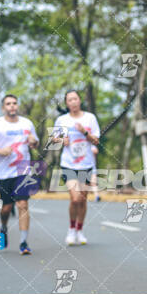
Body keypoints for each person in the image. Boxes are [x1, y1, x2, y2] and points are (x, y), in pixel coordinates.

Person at [0, 94, 39, 255]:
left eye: (14, 103)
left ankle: (23, 242)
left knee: (23, 204)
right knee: (6, 208)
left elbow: (34, 143)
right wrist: (0, 151)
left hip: (23, 170)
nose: (12, 106)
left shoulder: (27, 123)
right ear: (3, 107)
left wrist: (33, 141)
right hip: (3, 173)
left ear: (17, 106)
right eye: (8, 104)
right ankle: (4, 227)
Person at [53, 90, 100, 246]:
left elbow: (96, 141)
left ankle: (80, 230)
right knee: (75, 198)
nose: (73, 102)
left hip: (85, 165)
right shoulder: (62, 120)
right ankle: (71, 229)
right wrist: (61, 140)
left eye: (75, 99)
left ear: (80, 100)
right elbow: (53, 140)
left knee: (83, 200)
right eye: (69, 100)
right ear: (66, 103)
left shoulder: (90, 118)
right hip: (69, 164)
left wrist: (84, 132)